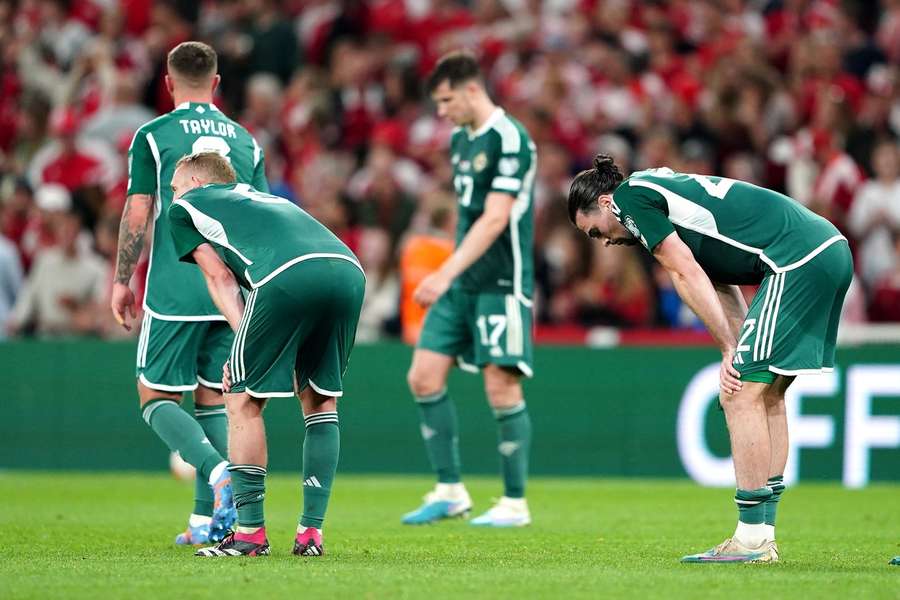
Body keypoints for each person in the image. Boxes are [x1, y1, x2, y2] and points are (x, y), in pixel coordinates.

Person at [567, 155, 852, 563]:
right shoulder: (663, 196)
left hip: (796, 260)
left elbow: (684, 272)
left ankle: (751, 540)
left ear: (608, 203)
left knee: (740, 395)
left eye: (595, 231)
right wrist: (736, 344)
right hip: (826, 250)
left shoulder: (631, 200)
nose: (604, 241)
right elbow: (719, 281)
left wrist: (727, 350)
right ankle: (762, 534)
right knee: (765, 393)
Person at [165, 152, 365, 558]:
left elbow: (221, 278)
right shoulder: (265, 199)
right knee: (320, 400)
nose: (173, 192)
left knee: (240, 398)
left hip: (285, 275)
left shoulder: (186, 206)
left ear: (195, 181)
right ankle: (310, 534)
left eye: (175, 184)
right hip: (348, 270)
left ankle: (250, 535)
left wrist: (243, 344)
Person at [110, 41, 268, 546]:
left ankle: (218, 472)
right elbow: (259, 218)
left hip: (176, 283)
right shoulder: (247, 141)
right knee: (212, 401)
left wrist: (121, 278)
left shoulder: (154, 134)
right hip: (231, 290)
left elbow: (139, 209)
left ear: (169, 82)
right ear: (217, 83)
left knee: (154, 395)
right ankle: (205, 522)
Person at [402, 51, 537, 527]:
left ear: (472, 89)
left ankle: (515, 503)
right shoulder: (462, 141)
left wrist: (445, 271)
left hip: (500, 282)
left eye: (445, 100)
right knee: (423, 376)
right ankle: (450, 490)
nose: (441, 112)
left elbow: (497, 216)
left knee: (501, 385)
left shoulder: (512, 139)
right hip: (462, 283)